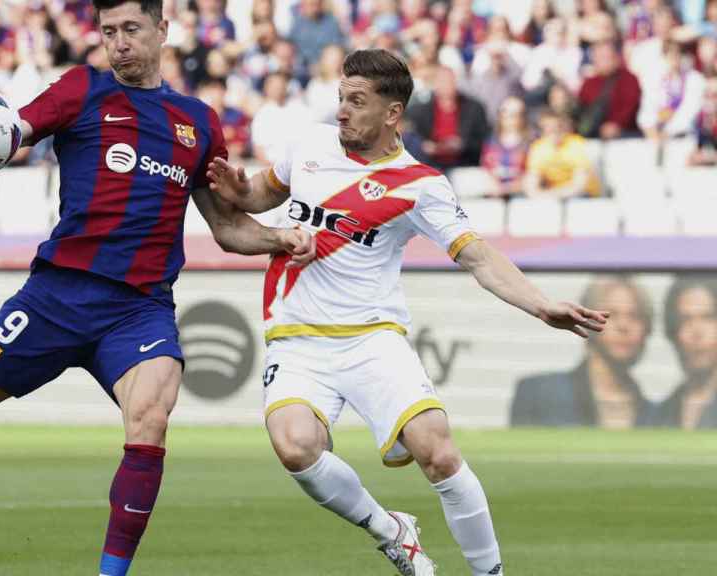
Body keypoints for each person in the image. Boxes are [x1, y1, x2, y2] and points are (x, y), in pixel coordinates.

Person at [0, 2, 314, 575]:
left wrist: (281, 238)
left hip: (139, 311)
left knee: (151, 417)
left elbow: (227, 228)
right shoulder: (81, 90)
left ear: (162, 30)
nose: (120, 43)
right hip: (55, 298)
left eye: (131, 29)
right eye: (109, 32)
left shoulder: (199, 122)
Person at [206, 48, 609, 576]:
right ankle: (391, 530)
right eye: (341, 98)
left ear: (392, 113)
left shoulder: (420, 185)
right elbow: (259, 195)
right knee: (294, 447)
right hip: (297, 337)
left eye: (356, 101)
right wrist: (240, 191)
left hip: (372, 338)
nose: (343, 111)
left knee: (437, 452)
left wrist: (541, 305)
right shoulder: (307, 146)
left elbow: (479, 257)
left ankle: (490, 573)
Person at [511, 275, 655, 428]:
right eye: (611, 315)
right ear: (587, 321)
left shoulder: (654, 414)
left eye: (634, 316)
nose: (623, 325)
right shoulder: (538, 393)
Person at [654, 277, 717, 429]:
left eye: (707, 318)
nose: (697, 332)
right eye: (685, 320)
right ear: (673, 333)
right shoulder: (660, 414)